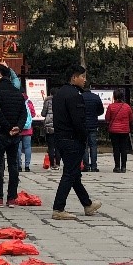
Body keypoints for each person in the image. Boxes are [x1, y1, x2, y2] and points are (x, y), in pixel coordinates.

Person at [50, 64, 102, 220]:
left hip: (60, 138)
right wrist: (84, 136)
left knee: (74, 174)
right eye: (82, 76)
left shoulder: (59, 94)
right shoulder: (74, 95)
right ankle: (58, 209)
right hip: (72, 140)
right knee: (69, 174)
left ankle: (87, 204)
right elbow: (78, 121)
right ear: (74, 78)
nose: (85, 80)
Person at [0, 63, 26, 205]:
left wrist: (8, 127)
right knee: (13, 165)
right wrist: (18, 127)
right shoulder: (17, 92)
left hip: (0, 133)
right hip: (15, 135)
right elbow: (24, 113)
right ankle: (12, 197)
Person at [105, 89, 133, 172]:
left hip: (114, 130)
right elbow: (131, 119)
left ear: (114, 96)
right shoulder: (127, 106)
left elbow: (107, 118)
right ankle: (123, 167)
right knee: (124, 149)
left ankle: (117, 166)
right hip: (124, 131)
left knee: (116, 148)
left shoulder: (111, 106)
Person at [82, 85, 104, 172]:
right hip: (93, 125)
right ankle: (94, 166)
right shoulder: (96, 97)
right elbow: (101, 111)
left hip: (83, 125)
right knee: (93, 146)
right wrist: (95, 114)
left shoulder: (80, 97)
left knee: (84, 146)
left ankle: (86, 166)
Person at [19, 80, 36, 171]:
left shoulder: (17, 101)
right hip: (28, 129)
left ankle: (19, 166)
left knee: (18, 147)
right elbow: (33, 114)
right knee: (27, 147)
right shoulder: (29, 102)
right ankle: (27, 166)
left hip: (19, 128)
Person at [42, 88, 61, 168]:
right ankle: (58, 163)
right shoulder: (61, 101)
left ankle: (52, 164)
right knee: (58, 146)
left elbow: (43, 113)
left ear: (50, 93)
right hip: (58, 125)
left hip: (49, 125)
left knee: (50, 146)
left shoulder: (47, 101)